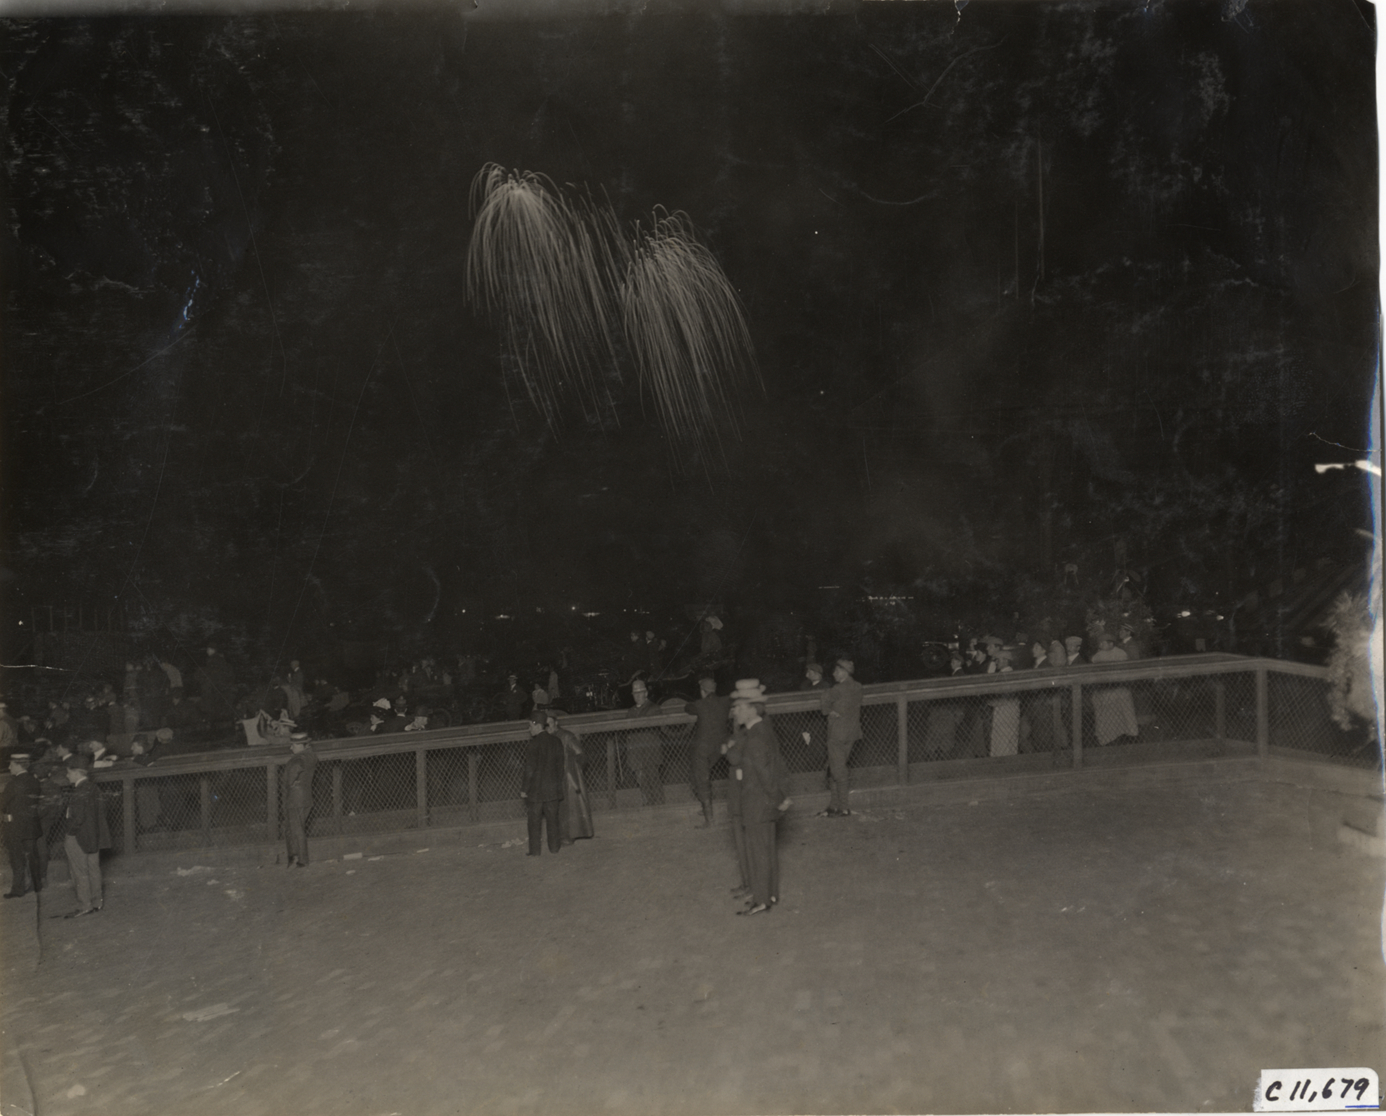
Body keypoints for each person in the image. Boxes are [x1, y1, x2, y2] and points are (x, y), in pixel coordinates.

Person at [728, 679, 789, 915]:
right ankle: (770, 894)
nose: (736, 712)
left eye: (740, 707)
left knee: (758, 852)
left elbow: (764, 775)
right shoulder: (764, 729)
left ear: (752, 708)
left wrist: (779, 798)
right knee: (767, 850)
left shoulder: (754, 738)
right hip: (765, 802)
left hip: (756, 803)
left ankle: (761, 901)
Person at [62, 754, 110, 917]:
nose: (67, 775)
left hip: (78, 837)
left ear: (76, 772)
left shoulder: (79, 791)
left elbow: (79, 817)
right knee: (93, 870)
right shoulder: (93, 788)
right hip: (93, 836)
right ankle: (97, 902)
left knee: (80, 872)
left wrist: (69, 833)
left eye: (68, 772)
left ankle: (84, 905)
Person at [684, 676, 731, 827]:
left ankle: (709, 819)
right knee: (701, 777)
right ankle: (706, 807)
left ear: (703, 691)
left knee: (700, 778)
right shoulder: (725, 701)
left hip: (703, 749)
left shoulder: (699, 704)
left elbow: (687, 708)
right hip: (721, 747)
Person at [819, 658, 862, 817]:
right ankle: (834, 805)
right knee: (835, 765)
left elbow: (824, 702)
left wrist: (829, 710)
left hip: (837, 733)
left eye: (836, 671)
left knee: (838, 770)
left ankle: (843, 806)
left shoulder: (837, 689)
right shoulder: (858, 686)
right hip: (851, 733)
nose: (833, 674)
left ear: (844, 673)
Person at [521, 709, 565, 855]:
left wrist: (524, 789)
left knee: (534, 822)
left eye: (530, 726)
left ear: (537, 725)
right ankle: (554, 848)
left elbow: (530, 770)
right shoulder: (556, 741)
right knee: (553, 820)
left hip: (536, 792)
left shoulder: (533, 744)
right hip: (552, 789)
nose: (529, 729)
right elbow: (560, 766)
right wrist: (558, 785)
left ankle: (535, 851)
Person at [546, 709, 593, 843]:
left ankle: (568, 836)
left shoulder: (566, 736)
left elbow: (581, 754)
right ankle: (560, 835)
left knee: (568, 806)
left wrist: (576, 770)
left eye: (550, 723)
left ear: (556, 722)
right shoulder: (546, 738)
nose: (548, 727)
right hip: (553, 778)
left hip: (567, 778)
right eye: (546, 725)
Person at [2, 753, 43, 898]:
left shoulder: (14, 783)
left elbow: (2, 803)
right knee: (32, 856)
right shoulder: (34, 781)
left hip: (15, 828)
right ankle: (37, 886)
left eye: (11, 764)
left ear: (19, 765)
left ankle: (18, 890)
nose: (9, 767)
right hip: (31, 826)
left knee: (17, 858)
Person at [1090, 634, 1139, 745]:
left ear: (1111, 644)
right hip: (1105, 691)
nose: (1100, 645)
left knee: (1125, 717)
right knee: (1108, 719)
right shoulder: (1098, 655)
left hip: (1119, 689)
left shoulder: (1120, 653)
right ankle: (1109, 739)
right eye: (1100, 643)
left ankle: (1130, 737)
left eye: (1103, 643)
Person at [624, 679, 665, 805]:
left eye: (640, 692)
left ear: (646, 693)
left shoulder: (654, 708)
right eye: (635, 693)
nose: (637, 695)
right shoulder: (631, 711)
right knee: (642, 782)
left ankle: (660, 807)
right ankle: (648, 807)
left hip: (650, 753)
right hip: (636, 754)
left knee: (654, 780)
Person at [283, 736, 318, 868]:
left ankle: (302, 860)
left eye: (294, 745)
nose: (291, 747)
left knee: (296, 829)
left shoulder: (298, 759)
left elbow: (291, 776)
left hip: (295, 798)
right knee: (296, 828)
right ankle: (295, 857)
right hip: (306, 797)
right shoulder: (312, 756)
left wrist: (290, 783)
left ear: (303, 745)